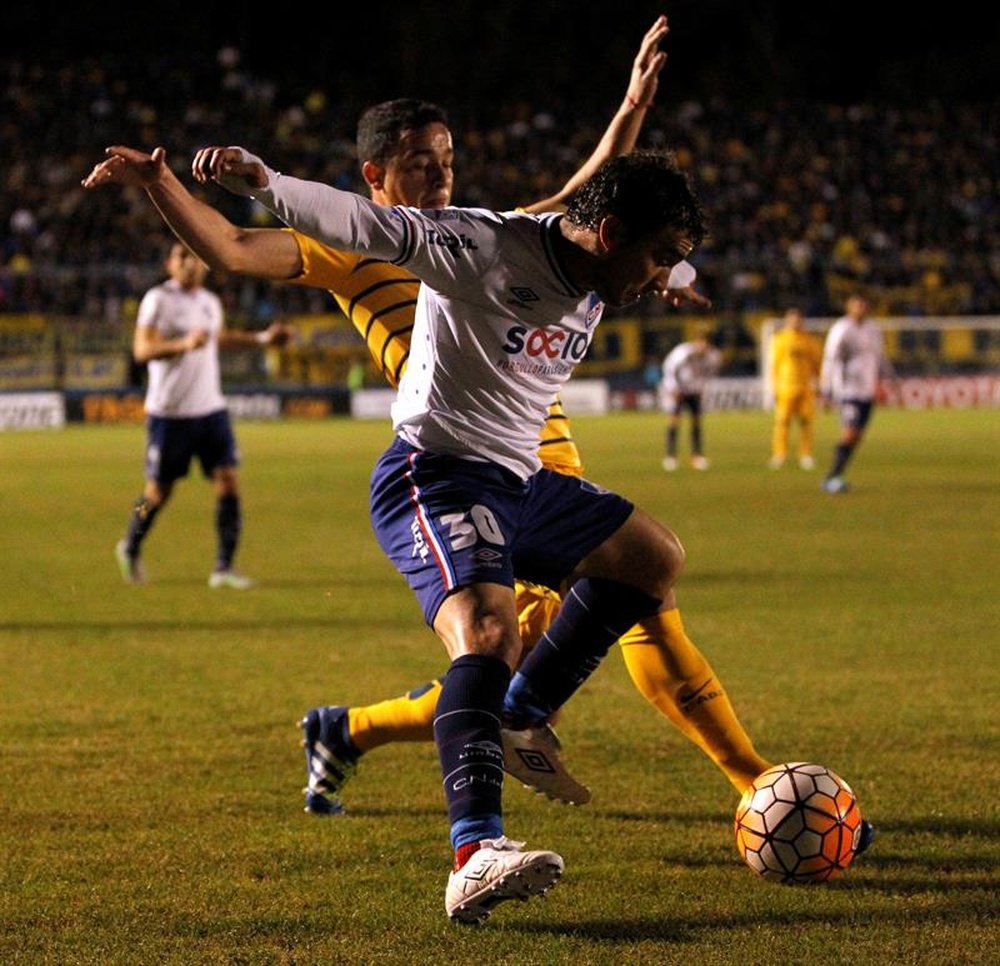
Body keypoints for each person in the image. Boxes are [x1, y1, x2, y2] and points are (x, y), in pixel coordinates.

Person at [81, 18, 773, 828]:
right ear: (376, 176)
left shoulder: (497, 235)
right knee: (512, 639)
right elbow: (232, 245)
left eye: (448, 161)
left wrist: (632, 131)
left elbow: (589, 201)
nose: (443, 177)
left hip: (537, 455)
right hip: (457, 460)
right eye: (422, 165)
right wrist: (163, 182)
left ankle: (747, 781)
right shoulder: (356, 248)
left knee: (625, 598)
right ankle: (742, 788)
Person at [113, 241, 292, 588]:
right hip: (170, 415)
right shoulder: (158, 300)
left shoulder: (210, 303)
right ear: (169, 263)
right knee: (156, 494)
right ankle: (130, 542)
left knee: (228, 480)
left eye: (196, 256)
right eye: (182, 256)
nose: (191, 263)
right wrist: (181, 345)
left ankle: (223, 568)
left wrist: (262, 339)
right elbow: (142, 349)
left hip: (210, 409)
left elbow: (216, 340)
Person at [819, 293, 895, 493]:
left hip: (866, 390)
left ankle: (836, 476)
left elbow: (880, 357)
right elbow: (830, 359)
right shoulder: (841, 329)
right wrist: (826, 390)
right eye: (856, 305)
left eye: (863, 305)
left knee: (857, 435)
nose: (861, 309)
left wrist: (889, 379)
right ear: (848, 307)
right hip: (847, 390)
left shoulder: (873, 329)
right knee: (850, 432)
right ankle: (831, 478)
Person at [659, 325, 722, 471]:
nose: (703, 347)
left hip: (694, 390)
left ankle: (697, 456)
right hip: (678, 390)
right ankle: (670, 456)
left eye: (706, 343)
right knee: (674, 421)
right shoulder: (683, 352)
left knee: (696, 422)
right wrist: (673, 388)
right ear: (697, 341)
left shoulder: (714, 356)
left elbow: (709, 374)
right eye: (702, 342)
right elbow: (669, 368)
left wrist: (702, 388)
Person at [767, 306, 822, 470]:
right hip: (785, 386)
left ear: (802, 321)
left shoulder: (810, 340)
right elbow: (774, 365)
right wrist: (773, 386)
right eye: (792, 319)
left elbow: (817, 364)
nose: (795, 322)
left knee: (806, 422)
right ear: (787, 320)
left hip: (805, 387)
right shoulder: (780, 339)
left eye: (798, 319)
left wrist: (819, 382)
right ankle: (780, 455)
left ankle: (805, 455)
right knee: (782, 422)